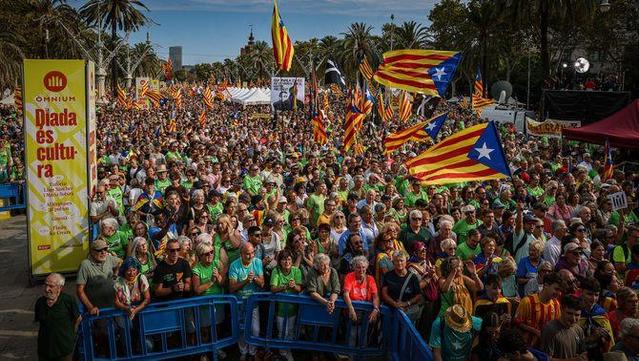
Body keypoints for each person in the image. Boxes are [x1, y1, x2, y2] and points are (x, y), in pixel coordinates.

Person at [229, 243, 264, 360]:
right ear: (241, 254)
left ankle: (252, 352)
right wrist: (245, 281)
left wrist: (254, 278)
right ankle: (243, 352)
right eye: (247, 254)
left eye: (252, 253)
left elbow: (262, 283)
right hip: (239, 303)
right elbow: (232, 287)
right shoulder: (234, 265)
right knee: (241, 329)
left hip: (253, 303)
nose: (250, 256)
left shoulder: (257, 262)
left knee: (255, 330)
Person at [35, 273, 80, 361]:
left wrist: (70, 335)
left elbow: (78, 318)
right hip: (44, 351)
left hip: (64, 350)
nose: (47, 289)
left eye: (51, 286)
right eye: (46, 285)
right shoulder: (40, 303)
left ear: (60, 288)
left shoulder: (68, 301)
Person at [270, 249, 303, 361]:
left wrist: (293, 286)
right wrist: (284, 287)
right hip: (280, 309)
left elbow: (299, 288)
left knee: (290, 331)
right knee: (282, 331)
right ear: (280, 261)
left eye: (289, 259)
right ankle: (283, 353)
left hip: (293, 309)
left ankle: (288, 351)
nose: (287, 262)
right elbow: (273, 288)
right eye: (284, 259)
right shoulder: (276, 271)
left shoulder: (296, 271)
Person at [514, 272, 562, 347]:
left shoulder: (556, 304)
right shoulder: (527, 301)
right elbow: (517, 322)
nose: (559, 293)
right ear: (546, 285)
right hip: (527, 345)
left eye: (560, 290)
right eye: (556, 289)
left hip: (546, 346)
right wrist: (535, 331)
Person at [342, 255, 380, 346]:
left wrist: (375, 309)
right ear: (354, 267)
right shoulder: (349, 276)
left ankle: (361, 356)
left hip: (365, 313)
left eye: (363, 267)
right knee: (352, 334)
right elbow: (345, 293)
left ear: (366, 267)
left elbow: (375, 296)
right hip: (352, 311)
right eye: (358, 267)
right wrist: (351, 309)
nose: (361, 270)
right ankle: (351, 356)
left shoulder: (370, 279)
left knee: (363, 336)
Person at [382, 250, 424, 324]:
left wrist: (406, 304)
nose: (399, 263)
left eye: (401, 260)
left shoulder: (413, 277)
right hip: (391, 312)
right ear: (393, 262)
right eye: (396, 261)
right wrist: (395, 304)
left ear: (406, 262)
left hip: (407, 314)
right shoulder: (388, 275)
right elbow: (384, 294)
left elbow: (418, 295)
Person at [540, 294, 587, 361]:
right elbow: (545, 359)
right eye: (569, 313)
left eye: (577, 315)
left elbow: (582, 352)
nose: (573, 319)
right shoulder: (550, 330)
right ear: (561, 309)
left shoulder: (578, 330)